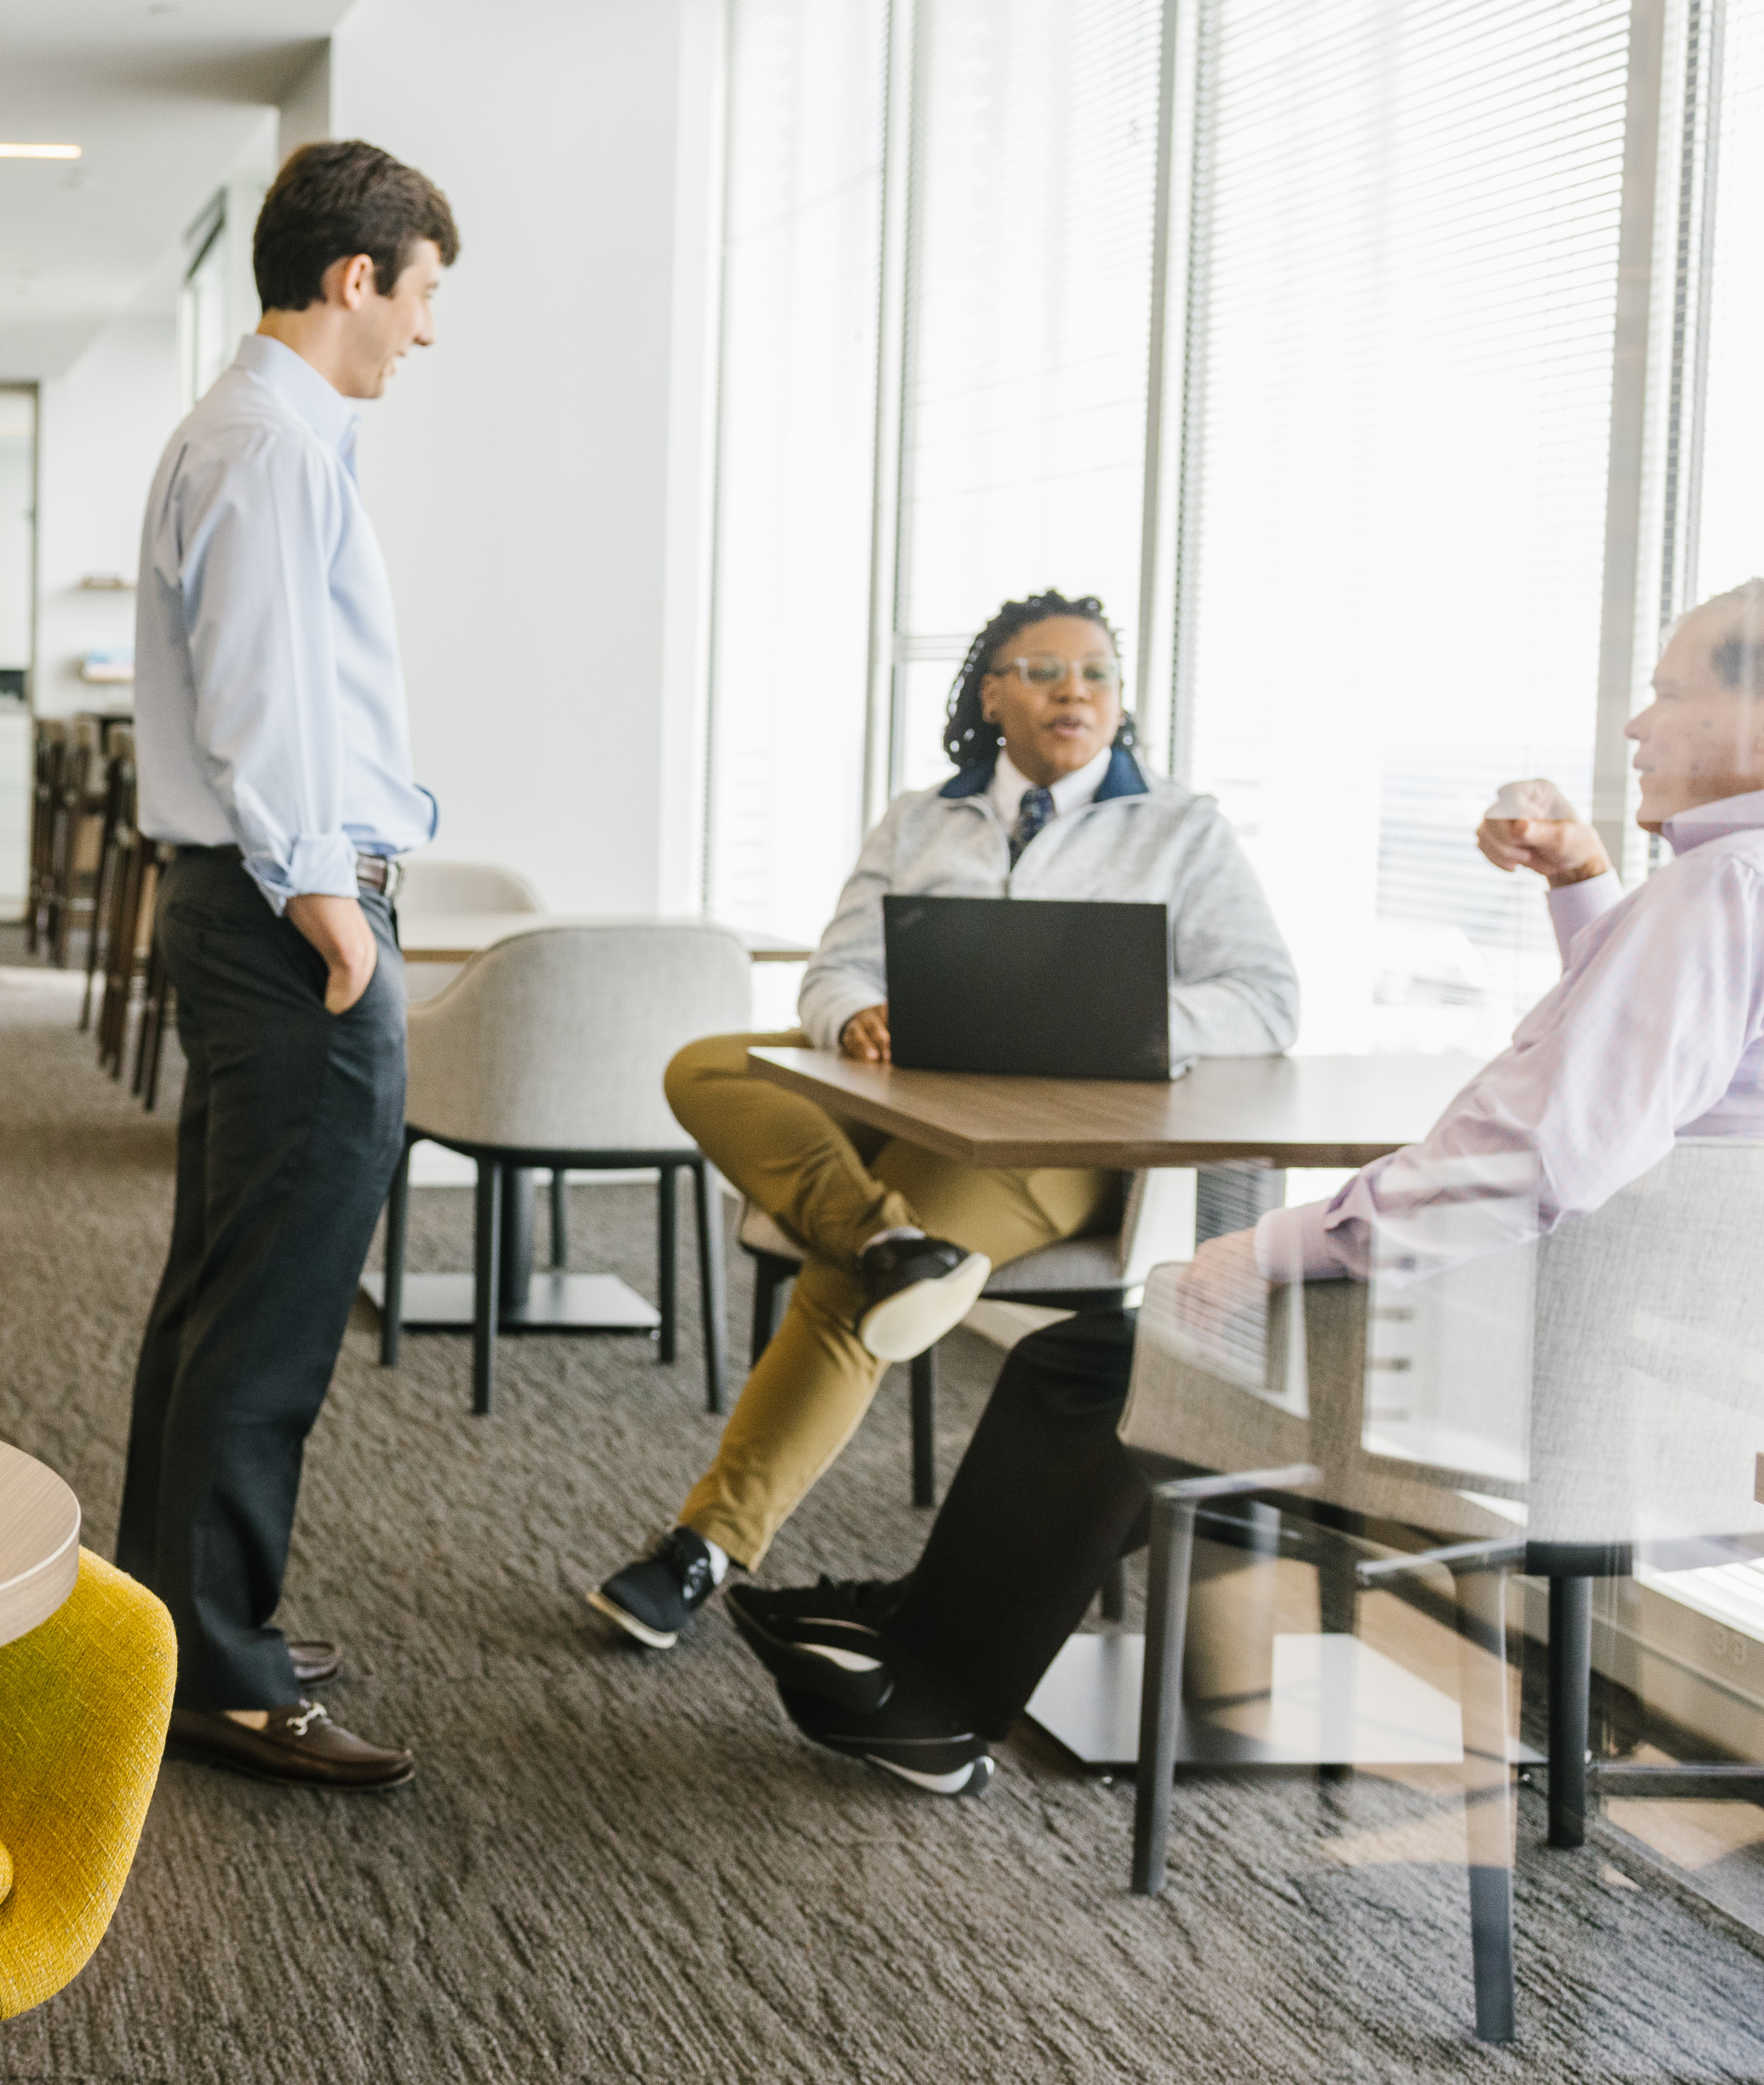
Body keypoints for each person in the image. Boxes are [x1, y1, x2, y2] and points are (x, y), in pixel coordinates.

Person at [730, 581, 1764, 1794]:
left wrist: (1274, 1248)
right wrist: (1582, 881)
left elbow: (1529, 1158)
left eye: (1663, 692)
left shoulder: (1714, 891)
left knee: (1108, 1357)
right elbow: (1665, 1069)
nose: (1636, 728)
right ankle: (921, 1625)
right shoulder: (1720, 894)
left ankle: (937, 1693)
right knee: (1132, 1350)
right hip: (1655, 1386)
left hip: (1502, 1368)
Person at [591, 590, 1299, 1653]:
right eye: (1048, 672)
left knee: (842, 1287)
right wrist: (850, 1012)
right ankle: (890, 1237)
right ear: (992, 696)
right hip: (899, 1105)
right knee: (708, 1066)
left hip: (1056, 1144)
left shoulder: (1181, 830)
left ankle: (702, 1548)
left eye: (1098, 673)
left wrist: (1117, 1022)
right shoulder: (922, 817)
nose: (1077, 693)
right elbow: (836, 964)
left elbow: (1266, 1002)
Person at [115, 137, 454, 1792]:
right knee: (272, 1307)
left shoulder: (266, 433)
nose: (425, 332)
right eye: (422, 294)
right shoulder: (263, 442)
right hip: (286, 915)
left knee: (227, 1282)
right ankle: (224, 1673)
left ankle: (175, 1624)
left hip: (261, 900)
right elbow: (260, 688)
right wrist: (330, 901)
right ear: (353, 278)